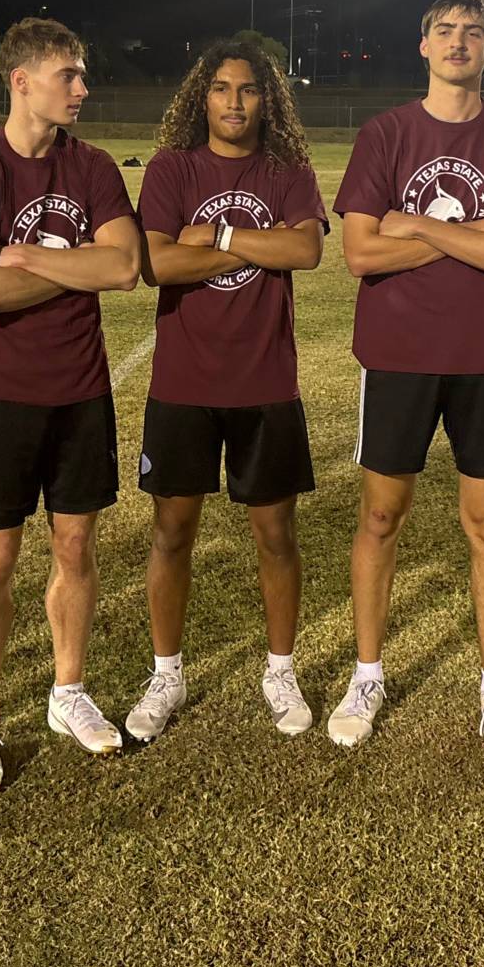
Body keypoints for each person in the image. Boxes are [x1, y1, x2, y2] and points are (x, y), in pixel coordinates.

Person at [328, 0, 484, 762]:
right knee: (381, 519)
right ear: (423, 45)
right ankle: (367, 673)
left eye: (474, 32)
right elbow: (360, 251)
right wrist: (471, 231)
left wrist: (417, 224)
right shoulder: (386, 133)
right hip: (397, 355)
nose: (459, 42)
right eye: (445, 30)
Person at [0, 18, 141, 789]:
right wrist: (72, 264)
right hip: (4, 396)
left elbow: (125, 269)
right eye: (70, 75)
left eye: (82, 75)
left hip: (81, 388)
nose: (83, 89)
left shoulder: (90, 166)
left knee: (76, 547)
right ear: (21, 81)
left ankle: (68, 691)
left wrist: (31, 254)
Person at [123, 40, 328, 742]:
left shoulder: (288, 171)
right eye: (220, 89)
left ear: (267, 99)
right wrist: (254, 239)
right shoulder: (172, 168)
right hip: (183, 383)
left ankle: (279, 669)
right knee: (172, 532)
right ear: (200, 98)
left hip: (265, 382)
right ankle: (167, 672)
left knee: (275, 534)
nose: (234, 102)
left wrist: (217, 231)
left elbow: (305, 249)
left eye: (247, 90)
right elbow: (157, 263)